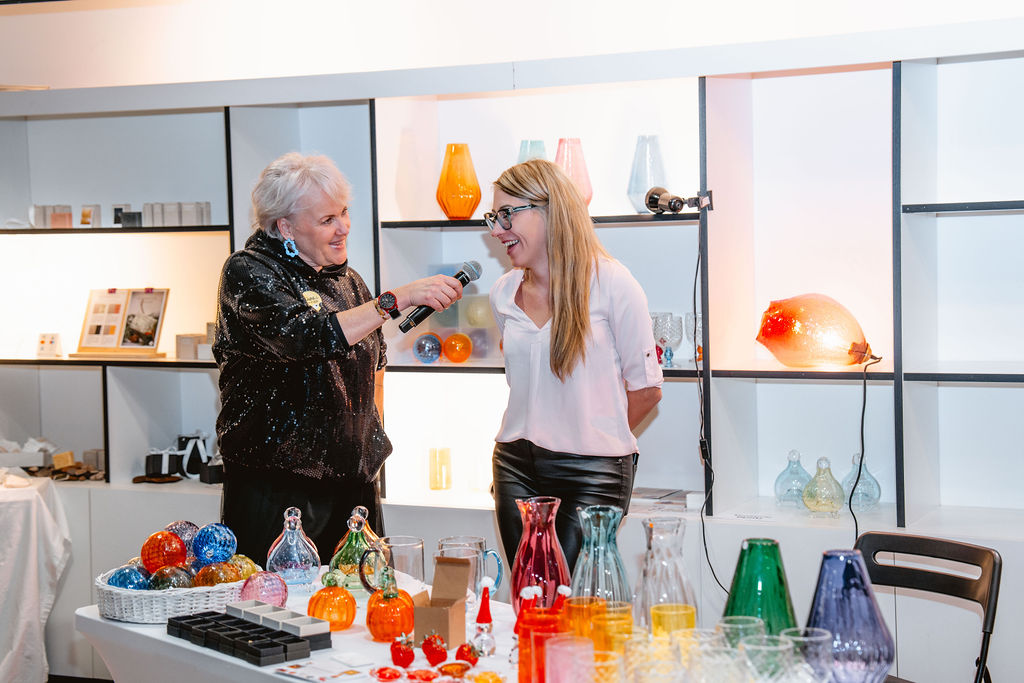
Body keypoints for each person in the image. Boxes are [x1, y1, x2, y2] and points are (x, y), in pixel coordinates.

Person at [214, 152, 464, 561]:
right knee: (283, 600)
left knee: (363, 596)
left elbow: (375, 368)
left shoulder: (348, 281)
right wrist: (395, 299)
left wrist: (365, 448)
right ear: (285, 227)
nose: (343, 227)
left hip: (353, 488)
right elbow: (304, 336)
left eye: (344, 212)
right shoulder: (248, 272)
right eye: (327, 219)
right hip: (278, 491)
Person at [486, 159, 663, 572]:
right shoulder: (502, 293)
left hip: (591, 474)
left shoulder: (613, 284)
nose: (496, 230)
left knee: (568, 597)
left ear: (549, 209)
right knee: (529, 593)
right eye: (493, 218)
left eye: (507, 214)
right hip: (514, 466)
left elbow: (647, 390)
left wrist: (592, 435)